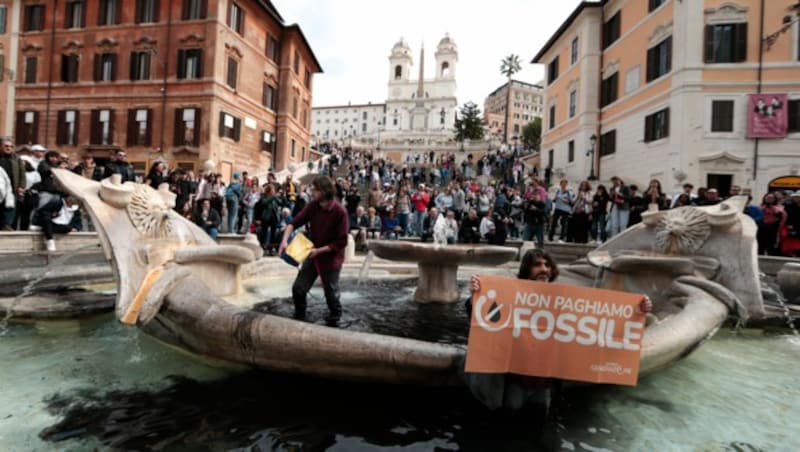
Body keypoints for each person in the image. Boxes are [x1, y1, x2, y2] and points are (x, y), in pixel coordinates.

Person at [467, 249, 652, 411]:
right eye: (537, 265)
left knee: (537, 427)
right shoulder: (510, 295)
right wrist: (476, 293)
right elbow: (480, 315)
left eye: (547, 265)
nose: (544, 269)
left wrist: (638, 310)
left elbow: (605, 325)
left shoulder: (564, 301)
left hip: (545, 385)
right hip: (515, 382)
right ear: (526, 270)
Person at [279, 176, 349, 324]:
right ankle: (299, 318)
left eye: (315, 189)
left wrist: (319, 251)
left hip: (331, 257)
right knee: (298, 289)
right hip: (313, 253)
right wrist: (284, 241)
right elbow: (293, 223)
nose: (312, 192)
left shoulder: (340, 212)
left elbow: (342, 241)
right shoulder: (313, 206)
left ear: (324, 191)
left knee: (331, 294)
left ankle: (335, 322)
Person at [0, 138, 27, 230]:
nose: (9, 148)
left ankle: (7, 225)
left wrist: (21, 186)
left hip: (12, 187)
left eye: (11, 146)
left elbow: (22, 173)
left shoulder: (17, 158)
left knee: (10, 207)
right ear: (1, 146)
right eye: (6, 146)